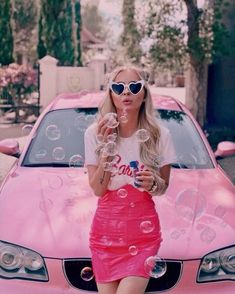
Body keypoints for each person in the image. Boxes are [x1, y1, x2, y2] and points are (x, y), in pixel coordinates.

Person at [84, 65, 176, 294]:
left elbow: (162, 187)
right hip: (105, 233)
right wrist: (107, 147)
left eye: (134, 87)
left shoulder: (159, 135)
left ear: (144, 94)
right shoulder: (94, 133)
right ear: (111, 94)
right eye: (119, 87)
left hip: (142, 235)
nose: (127, 93)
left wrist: (152, 183)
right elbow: (97, 189)